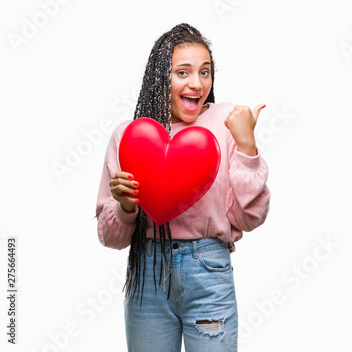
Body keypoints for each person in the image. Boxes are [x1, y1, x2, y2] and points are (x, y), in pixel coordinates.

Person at [95, 23, 270, 351]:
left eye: (205, 72)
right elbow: (111, 239)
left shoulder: (228, 122)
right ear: (161, 77)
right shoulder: (129, 137)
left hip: (208, 271)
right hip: (147, 275)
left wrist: (247, 147)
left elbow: (251, 218)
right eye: (183, 72)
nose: (197, 83)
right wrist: (126, 205)